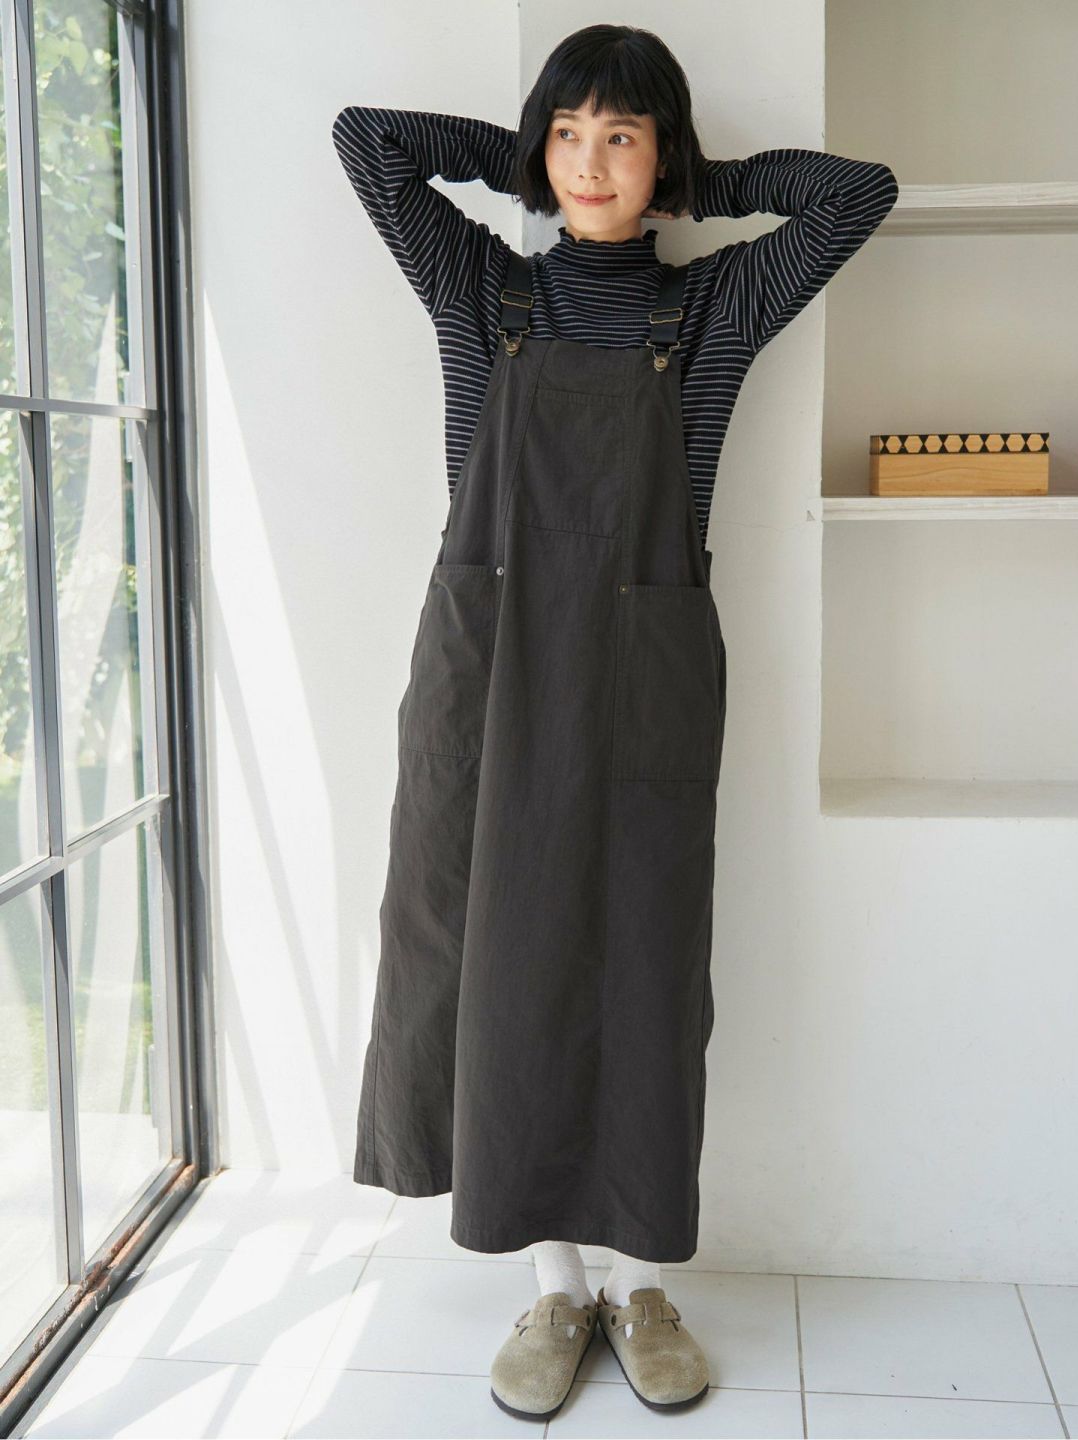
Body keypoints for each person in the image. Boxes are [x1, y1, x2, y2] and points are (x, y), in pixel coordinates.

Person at [332, 22, 897, 1422]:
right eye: (570, 135)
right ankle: (554, 1285)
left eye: (623, 138)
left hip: (643, 670)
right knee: (493, 952)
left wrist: (701, 178)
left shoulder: (709, 314)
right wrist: (519, 161)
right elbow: (369, 144)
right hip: (486, 667)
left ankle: (642, 1284)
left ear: (664, 160)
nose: (592, 165)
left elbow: (857, 194)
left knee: (643, 958)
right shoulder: (482, 290)